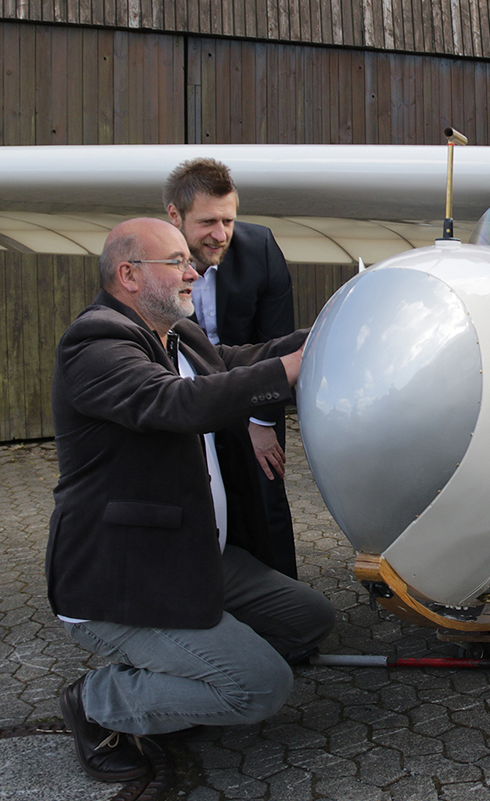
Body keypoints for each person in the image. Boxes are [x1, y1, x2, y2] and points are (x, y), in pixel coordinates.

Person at [47, 217, 334, 783]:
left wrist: (324, 336)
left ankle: (189, 671)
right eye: (177, 261)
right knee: (260, 686)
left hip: (194, 554)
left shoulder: (174, 333)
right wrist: (288, 371)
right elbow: (178, 403)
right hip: (125, 578)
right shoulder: (95, 344)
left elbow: (232, 364)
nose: (195, 271)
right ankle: (96, 701)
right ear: (128, 275)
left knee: (309, 621)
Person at [164, 158, 299, 579]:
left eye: (229, 220)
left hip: (251, 391)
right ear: (175, 216)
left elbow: (276, 343)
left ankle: (285, 616)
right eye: (207, 222)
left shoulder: (260, 248)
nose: (220, 234)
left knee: (265, 492)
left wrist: (261, 424)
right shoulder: (150, 259)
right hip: (179, 394)